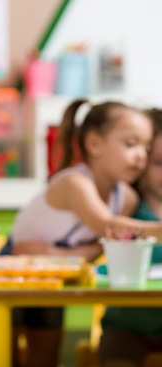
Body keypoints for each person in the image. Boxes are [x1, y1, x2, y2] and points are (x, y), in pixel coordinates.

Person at [2, 99, 162, 367]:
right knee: (3, 356)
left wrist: (54, 254)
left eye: (146, 147)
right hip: (13, 267)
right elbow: (107, 227)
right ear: (94, 144)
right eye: (131, 144)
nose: (141, 156)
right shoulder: (75, 183)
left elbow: (104, 245)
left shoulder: (126, 199)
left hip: (55, 275)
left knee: (44, 360)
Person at [99, 108, 162, 367]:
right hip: (126, 328)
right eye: (159, 163)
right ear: (141, 162)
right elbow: (101, 251)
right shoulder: (126, 205)